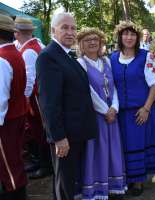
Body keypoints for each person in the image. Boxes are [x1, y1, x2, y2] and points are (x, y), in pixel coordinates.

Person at [36, 12, 98, 199]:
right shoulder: (48, 57)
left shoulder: (66, 55)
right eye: (64, 27)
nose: (70, 32)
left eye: (73, 28)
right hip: (65, 136)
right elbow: (48, 103)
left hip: (76, 133)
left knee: (69, 182)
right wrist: (59, 137)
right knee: (64, 184)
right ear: (53, 30)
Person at [110, 21, 155, 196]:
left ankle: (139, 181)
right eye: (125, 34)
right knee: (123, 145)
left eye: (132, 34)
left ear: (137, 37)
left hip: (140, 111)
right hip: (120, 113)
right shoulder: (112, 58)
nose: (129, 37)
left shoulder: (146, 56)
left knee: (139, 144)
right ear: (120, 36)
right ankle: (125, 178)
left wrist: (146, 108)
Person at [76, 27, 126, 200]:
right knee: (97, 150)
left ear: (101, 43)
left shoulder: (107, 61)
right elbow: (87, 91)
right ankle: (97, 189)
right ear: (81, 44)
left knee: (113, 149)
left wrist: (114, 107)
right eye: (88, 40)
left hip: (112, 114)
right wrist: (105, 110)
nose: (92, 42)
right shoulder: (80, 63)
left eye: (95, 39)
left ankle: (114, 186)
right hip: (96, 116)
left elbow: (114, 88)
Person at [14, 16, 52, 179]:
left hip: (36, 96)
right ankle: (42, 162)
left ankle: (46, 165)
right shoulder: (35, 45)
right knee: (39, 129)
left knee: (40, 129)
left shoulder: (29, 50)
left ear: (17, 33)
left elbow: (30, 78)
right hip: (39, 94)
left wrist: (25, 98)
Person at [0, 14, 28, 200]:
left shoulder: (2, 58)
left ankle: (16, 195)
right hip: (16, 114)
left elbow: (1, 97)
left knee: (8, 165)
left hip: (6, 121)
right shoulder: (15, 53)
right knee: (14, 160)